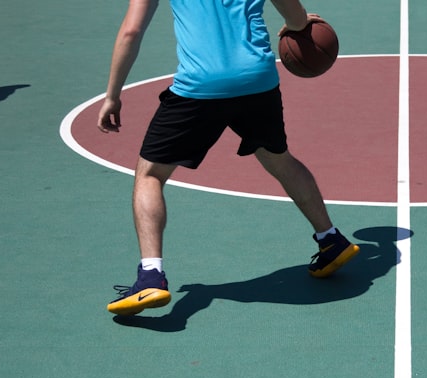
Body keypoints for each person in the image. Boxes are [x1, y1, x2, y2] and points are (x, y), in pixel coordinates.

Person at [98, 0, 359, 316]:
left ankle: (151, 275)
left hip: (201, 84)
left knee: (150, 175)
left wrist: (112, 95)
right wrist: (299, 22)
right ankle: (331, 239)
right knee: (280, 159)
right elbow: (292, 13)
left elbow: (131, 31)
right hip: (258, 79)